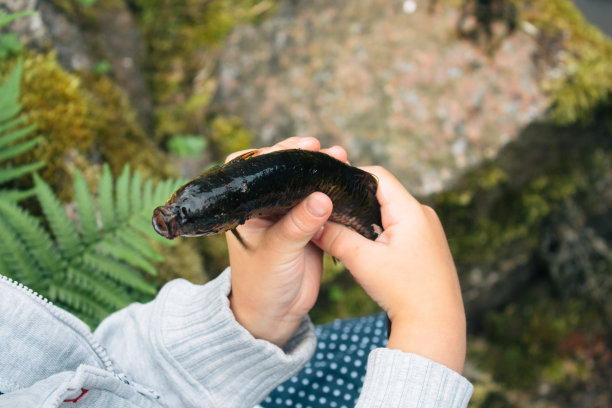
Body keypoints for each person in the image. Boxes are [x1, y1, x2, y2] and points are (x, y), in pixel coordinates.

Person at [0, 137, 473, 408]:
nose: (169, 218)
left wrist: (248, 320)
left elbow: (104, 380)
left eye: (183, 211)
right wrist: (430, 330)